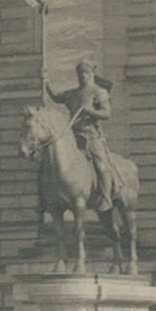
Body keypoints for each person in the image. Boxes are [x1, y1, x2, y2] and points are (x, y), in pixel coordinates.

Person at [46, 58, 121, 213]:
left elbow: (107, 113)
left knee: (101, 166)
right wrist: (45, 80)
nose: (82, 76)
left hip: (91, 136)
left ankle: (106, 198)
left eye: (85, 72)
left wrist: (90, 111)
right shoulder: (73, 93)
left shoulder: (99, 92)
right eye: (80, 73)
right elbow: (55, 97)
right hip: (73, 136)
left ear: (91, 73)